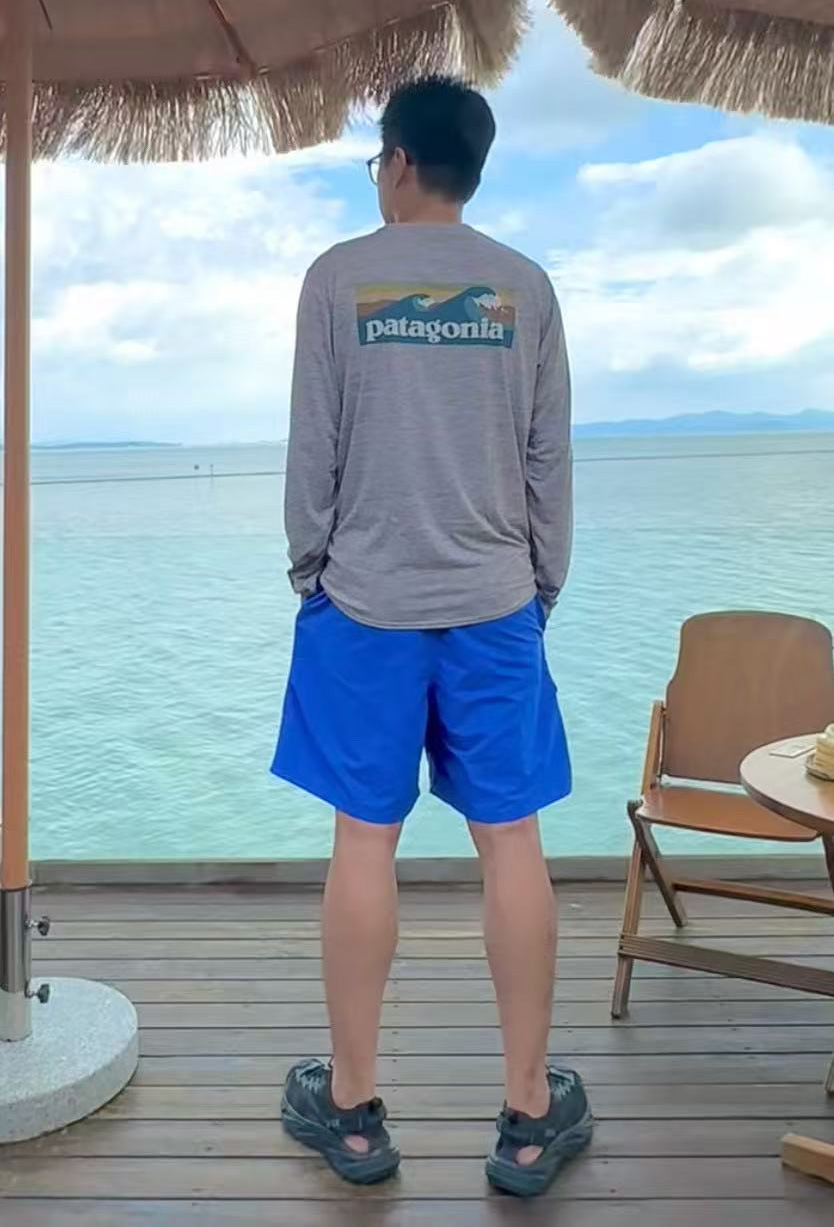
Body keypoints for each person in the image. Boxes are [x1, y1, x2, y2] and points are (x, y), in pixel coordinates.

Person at [272, 76, 590, 1198]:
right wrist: (538, 586)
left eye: (378, 161)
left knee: (364, 840)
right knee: (513, 842)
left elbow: (313, 452)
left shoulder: (337, 280)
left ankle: (354, 1111)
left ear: (399, 162)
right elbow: (549, 461)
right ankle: (527, 1114)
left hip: (364, 605)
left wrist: (313, 572)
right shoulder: (525, 287)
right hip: (496, 603)